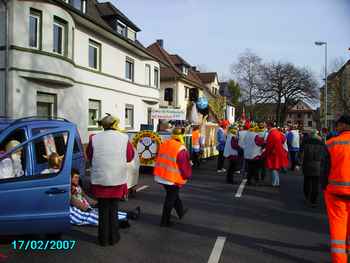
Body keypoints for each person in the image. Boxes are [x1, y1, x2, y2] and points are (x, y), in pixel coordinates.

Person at [86, 115, 135, 246]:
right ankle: (114, 237)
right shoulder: (124, 138)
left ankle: (102, 239)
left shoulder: (94, 138)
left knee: (102, 210)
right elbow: (130, 157)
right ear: (115, 124)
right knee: (113, 209)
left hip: (100, 179)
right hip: (117, 179)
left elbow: (89, 156)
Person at [323, 115, 350, 263]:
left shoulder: (331, 144)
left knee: (338, 233)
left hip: (336, 194)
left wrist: (324, 188)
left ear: (342, 125)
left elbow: (325, 170)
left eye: (337, 125)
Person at [69, 169, 136, 226]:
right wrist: (86, 208)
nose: (77, 179)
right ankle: (117, 222)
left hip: (85, 206)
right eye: (75, 177)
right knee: (92, 215)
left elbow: (85, 197)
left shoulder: (78, 187)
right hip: (79, 208)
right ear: (70, 178)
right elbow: (74, 201)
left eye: (78, 177)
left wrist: (96, 203)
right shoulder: (70, 188)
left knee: (103, 211)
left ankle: (127, 215)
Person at [154, 127, 192, 227]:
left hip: (161, 175)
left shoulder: (165, 143)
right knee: (170, 198)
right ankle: (164, 221)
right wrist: (187, 176)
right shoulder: (180, 148)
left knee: (173, 195)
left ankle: (180, 211)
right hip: (172, 178)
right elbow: (184, 166)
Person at [302, 129, 328, 207]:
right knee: (315, 183)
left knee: (307, 181)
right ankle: (313, 200)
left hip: (307, 163)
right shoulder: (321, 142)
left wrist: (299, 162)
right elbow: (324, 155)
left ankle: (307, 197)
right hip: (318, 164)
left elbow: (301, 153)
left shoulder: (305, 141)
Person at [265, 122, 289, 187]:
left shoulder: (271, 133)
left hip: (273, 153)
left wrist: (267, 151)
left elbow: (269, 144)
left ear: (270, 126)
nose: (267, 128)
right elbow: (283, 139)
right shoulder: (278, 132)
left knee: (273, 168)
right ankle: (277, 182)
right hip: (279, 151)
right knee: (276, 168)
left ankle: (274, 183)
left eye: (267, 126)